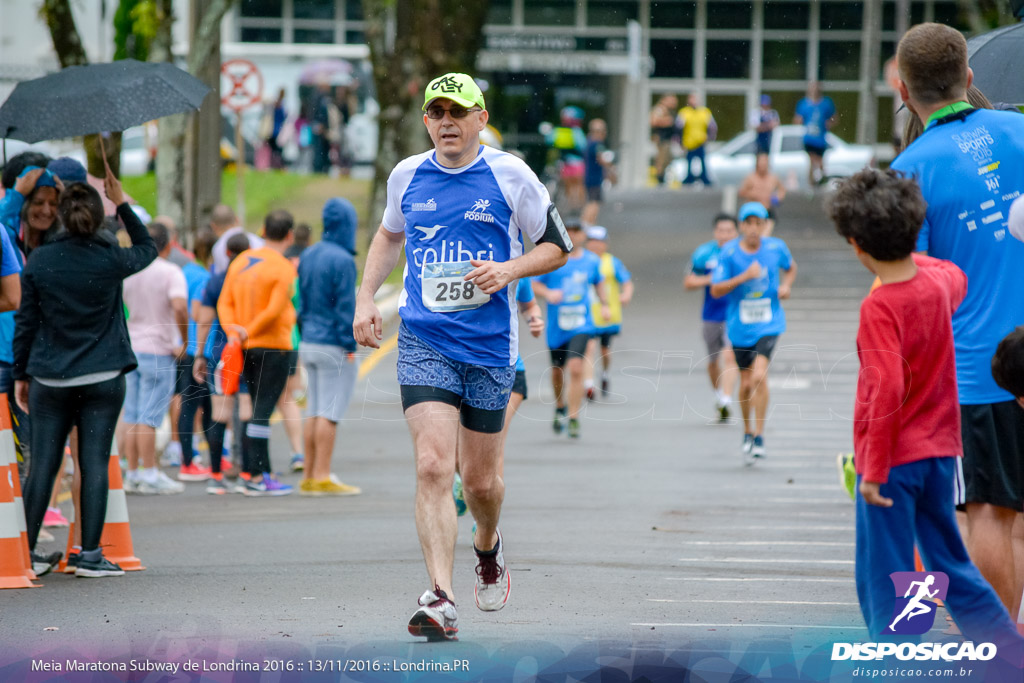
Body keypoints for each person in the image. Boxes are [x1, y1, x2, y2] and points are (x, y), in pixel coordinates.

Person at [352, 72, 570, 641]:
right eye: (436, 112)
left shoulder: (510, 173)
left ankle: (488, 544)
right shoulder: (408, 174)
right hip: (425, 340)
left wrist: (509, 269)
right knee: (431, 465)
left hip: (489, 349)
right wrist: (365, 297)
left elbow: (556, 247)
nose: (446, 122)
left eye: (458, 112)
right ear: (426, 121)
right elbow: (387, 236)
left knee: (480, 483)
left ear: (481, 119)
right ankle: (441, 597)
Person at [827, 168, 1023, 649]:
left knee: (884, 568)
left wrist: (871, 469)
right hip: (941, 453)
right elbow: (951, 272)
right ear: (916, 230)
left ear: (856, 246)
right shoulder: (940, 285)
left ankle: (894, 655)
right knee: (950, 564)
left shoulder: (880, 308)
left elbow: (886, 388)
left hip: (893, 460)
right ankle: (1006, 653)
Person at [890, 22, 1024, 619]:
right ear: (969, 78)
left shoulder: (909, 170)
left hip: (978, 372)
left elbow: (910, 290)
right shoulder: (1020, 132)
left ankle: (998, 652)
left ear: (902, 89)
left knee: (991, 515)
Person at [15, 175, 157, 578]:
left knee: (43, 464)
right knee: (92, 462)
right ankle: (90, 555)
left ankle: (23, 553)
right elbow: (148, 247)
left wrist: (23, 373)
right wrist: (123, 203)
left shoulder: (40, 261)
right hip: (103, 375)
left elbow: (27, 322)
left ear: (60, 215)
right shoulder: (110, 258)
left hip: (49, 376)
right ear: (99, 217)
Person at [218, 210, 298, 496]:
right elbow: (274, 309)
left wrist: (235, 331)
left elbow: (224, 301)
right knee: (263, 412)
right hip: (274, 346)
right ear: (289, 235)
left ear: (263, 229)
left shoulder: (240, 261)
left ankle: (251, 472)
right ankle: (258, 475)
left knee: (254, 409)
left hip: (245, 347)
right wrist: (248, 329)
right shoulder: (283, 267)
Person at [711, 202, 797, 463]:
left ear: (763, 225)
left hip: (770, 322)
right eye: (748, 224)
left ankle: (759, 435)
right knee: (746, 383)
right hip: (740, 327)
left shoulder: (775, 248)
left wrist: (786, 286)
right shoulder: (728, 253)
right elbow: (716, 290)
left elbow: (791, 267)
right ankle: (747, 431)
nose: (753, 229)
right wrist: (743, 277)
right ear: (741, 226)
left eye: (758, 223)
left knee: (760, 376)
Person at [296, 198, 361, 496]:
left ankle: (308, 474)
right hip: (333, 344)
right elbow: (345, 308)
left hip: (308, 339)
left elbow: (303, 300)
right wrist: (350, 345)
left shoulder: (308, 254)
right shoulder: (343, 260)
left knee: (313, 410)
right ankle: (323, 474)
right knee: (330, 412)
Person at [121, 222, 188, 496]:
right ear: (169, 244)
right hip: (159, 348)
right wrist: (183, 339)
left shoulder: (130, 270)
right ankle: (150, 472)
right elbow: (180, 306)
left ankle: (133, 471)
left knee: (132, 414)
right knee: (150, 416)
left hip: (133, 345)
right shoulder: (170, 271)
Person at [533, 222, 608, 438]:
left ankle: (574, 416)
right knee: (557, 372)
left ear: (583, 235)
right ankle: (560, 405)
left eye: (578, 232)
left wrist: (604, 305)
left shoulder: (592, 261)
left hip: (582, 324)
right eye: (570, 232)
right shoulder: (554, 259)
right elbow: (534, 283)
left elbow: (598, 283)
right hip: (558, 327)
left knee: (576, 368)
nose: (574, 236)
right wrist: (548, 294)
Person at [192, 232, 252, 494]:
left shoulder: (216, 280)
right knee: (247, 412)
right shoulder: (253, 278)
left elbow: (204, 320)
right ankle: (247, 472)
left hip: (222, 351)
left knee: (219, 413)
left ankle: (216, 475)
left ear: (227, 253)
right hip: (251, 350)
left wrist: (200, 355)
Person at [684, 213, 739, 421]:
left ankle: (726, 399)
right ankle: (719, 395)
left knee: (730, 356)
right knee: (713, 362)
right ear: (715, 232)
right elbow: (688, 282)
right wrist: (712, 279)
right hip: (711, 314)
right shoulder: (704, 254)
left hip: (734, 314)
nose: (725, 235)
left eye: (729, 231)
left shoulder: (742, 253)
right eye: (721, 231)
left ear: (736, 232)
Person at [175, 230, 217, 481]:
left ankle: (188, 459)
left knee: (188, 404)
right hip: (205, 348)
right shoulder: (205, 278)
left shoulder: (187, 272)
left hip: (188, 347)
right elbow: (196, 311)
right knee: (209, 409)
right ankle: (200, 462)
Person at [583, 225, 632, 399]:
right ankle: (588, 385)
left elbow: (627, 281)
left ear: (606, 244)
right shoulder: (582, 261)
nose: (596, 245)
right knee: (589, 347)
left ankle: (604, 373)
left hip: (608, 314)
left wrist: (626, 295)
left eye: (599, 242)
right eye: (592, 241)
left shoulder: (612, 262)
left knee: (605, 350)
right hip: (586, 314)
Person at [793, 82, 836, 188]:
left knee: (820, 162)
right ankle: (811, 184)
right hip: (809, 138)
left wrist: (828, 123)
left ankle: (820, 181)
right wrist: (800, 121)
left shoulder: (826, 103)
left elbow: (834, 118)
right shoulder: (804, 104)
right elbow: (797, 119)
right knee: (812, 160)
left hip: (821, 138)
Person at [209, 204, 263, 276]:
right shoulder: (257, 240)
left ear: (213, 226)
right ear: (237, 219)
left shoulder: (217, 248)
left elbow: (221, 279)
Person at [738, 153, 786, 233]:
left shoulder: (773, 178)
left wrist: (778, 197)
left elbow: (782, 190)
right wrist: (754, 194)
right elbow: (741, 193)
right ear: (757, 164)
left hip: (767, 211)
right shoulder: (751, 178)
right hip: (752, 212)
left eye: (765, 163)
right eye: (761, 163)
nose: (763, 166)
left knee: (765, 235)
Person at [581, 118, 615, 227]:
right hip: (594, 178)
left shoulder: (588, 142)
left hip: (589, 176)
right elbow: (602, 159)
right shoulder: (597, 144)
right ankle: (586, 226)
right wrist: (611, 167)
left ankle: (589, 225)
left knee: (592, 201)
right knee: (593, 203)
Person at [677, 93, 716, 186]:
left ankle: (704, 178)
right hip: (689, 142)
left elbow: (712, 126)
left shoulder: (704, 112)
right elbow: (678, 128)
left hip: (700, 141)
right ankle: (689, 178)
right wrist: (680, 141)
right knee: (689, 162)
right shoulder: (684, 112)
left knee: (703, 162)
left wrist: (710, 137)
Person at [650, 94, 678, 185]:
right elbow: (653, 121)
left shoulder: (668, 110)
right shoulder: (660, 109)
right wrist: (667, 121)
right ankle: (659, 178)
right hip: (662, 139)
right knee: (661, 160)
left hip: (667, 139)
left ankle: (662, 177)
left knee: (666, 159)